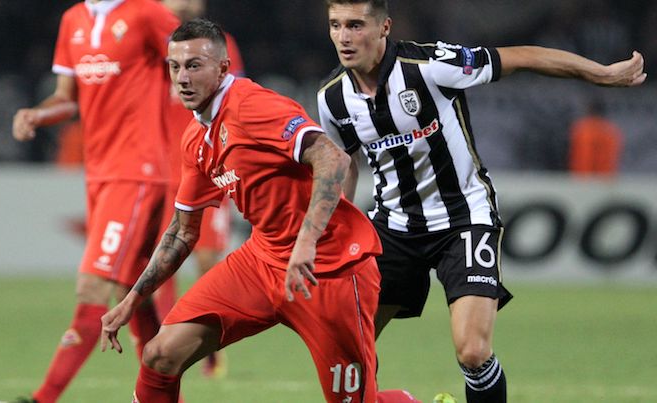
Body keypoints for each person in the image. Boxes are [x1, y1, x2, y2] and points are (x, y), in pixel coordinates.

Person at [317, 1, 646, 402]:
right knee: (350, 347)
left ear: (384, 27)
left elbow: (522, 57)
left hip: (463, 219)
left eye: (355, 25)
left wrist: (600, 73)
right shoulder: (332, 99)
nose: (344, 37)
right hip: (393, 227)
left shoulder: (432, 67)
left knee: (473, 351)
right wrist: (335, 231)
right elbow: (343, 164)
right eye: (336, 25)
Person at [100, 19, 383, 403]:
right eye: (175, 66)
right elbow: (184, 231)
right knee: (160, 353)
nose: (182, 77)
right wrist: (132, 300)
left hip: (328, 268)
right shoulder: (196, 138)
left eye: (194, 65)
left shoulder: (253, 106)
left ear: (222, 68)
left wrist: (306, 241)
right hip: (261, 262)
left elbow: (333, 158)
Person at [0, 1, 179, 402]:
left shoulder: (146, 13)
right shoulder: (73, 20)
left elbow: (195, 56)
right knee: (134, 288)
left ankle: (41, 399)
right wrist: (37, 115)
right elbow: (68, 97)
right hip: (100, 174)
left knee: (93, 287)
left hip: (138, 172)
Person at [153, 0, 246, 379]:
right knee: (162, 263)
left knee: (208, 261)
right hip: (160, 170)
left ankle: (211, 346)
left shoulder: (220, 45)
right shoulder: (149, 42)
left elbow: (234, 103)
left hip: (206, 167)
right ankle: (165, 345)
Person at [568, 98, 623, 176]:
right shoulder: (611, 131)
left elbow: (581, 156)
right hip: (604, 177)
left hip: (583, 177)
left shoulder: (582, 128)